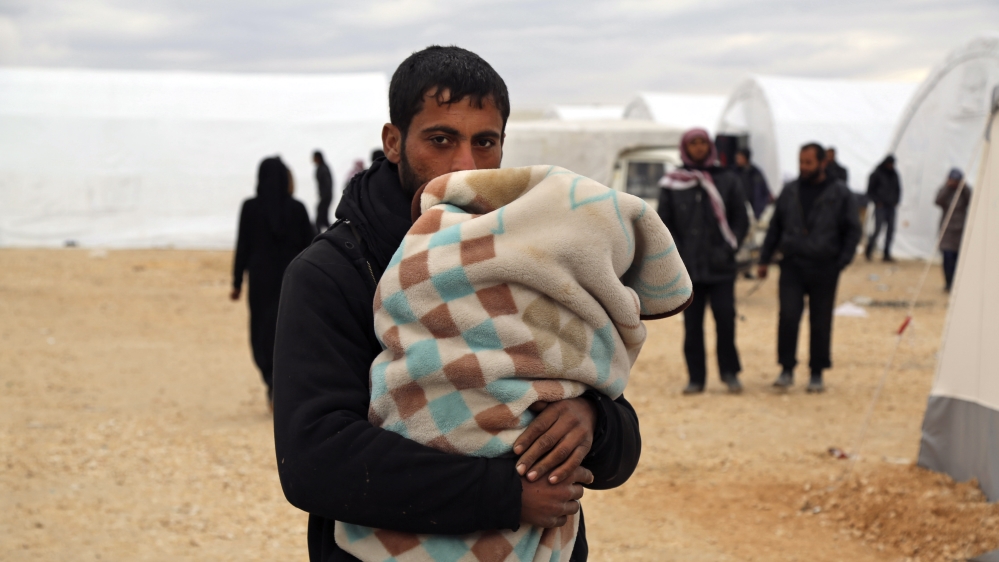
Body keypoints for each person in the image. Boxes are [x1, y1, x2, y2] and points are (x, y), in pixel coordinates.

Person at [271, 46, 642, 562]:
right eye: (441, 140)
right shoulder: (333, 273)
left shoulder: (531, 256)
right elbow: (315, 458)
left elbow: (618, 441)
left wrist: (592, 421)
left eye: (484, 142)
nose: (464, 166)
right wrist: (503, 495)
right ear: (394, 142)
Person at [757, 143, 862, 393]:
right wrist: (764, 258)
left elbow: (853, 229)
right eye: (801, 162)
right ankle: (786, 368)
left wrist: (842, 261)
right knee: (789, 317)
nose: (803, 167)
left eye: (809, 163)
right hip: (792, 265)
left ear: (823, 163)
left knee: (820, 321)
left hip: (825, 267)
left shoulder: (840, 193)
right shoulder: (790, 191)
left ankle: (817, 372)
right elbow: (775, 226)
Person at [659, 129, 749, 395]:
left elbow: (740, 219)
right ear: (685, 148)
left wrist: (729, 248)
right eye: (693, 143)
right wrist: (678, 256)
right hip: (688, 271)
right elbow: (663, 225)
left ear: (710, 147)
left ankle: (730, 373)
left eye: (702, 143)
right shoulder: (672, 182)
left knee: (725, 320)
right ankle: (696, 378)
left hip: (721, 268)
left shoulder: (727, 179)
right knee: (692, 326)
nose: (698, 148)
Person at [231, 157, 316, 406]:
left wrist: (236, 282)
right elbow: (311, 247)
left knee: (261, 331)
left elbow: (242, 246)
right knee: (290, 330)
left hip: (260, 280)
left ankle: (271, 381)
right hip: (292, 280)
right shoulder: (297, 209)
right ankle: (285, 384)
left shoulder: (250, 208)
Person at [935, 168, 972, 292]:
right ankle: (948, 282)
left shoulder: (964, 192)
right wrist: (947, 187)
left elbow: (972, 201)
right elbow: (938, 201)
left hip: (960, 230)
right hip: (947, 229)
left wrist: (964, 187)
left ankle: (956, 283)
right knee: (947, 257)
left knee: (958, 259)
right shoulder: (944, 190)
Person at [865, 154, 901, 262]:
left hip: (891, 206)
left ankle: (886, 254)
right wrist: (877, 202)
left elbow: (898, 189)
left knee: (890, 231)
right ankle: (869, 251)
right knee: (877, 229)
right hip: (880, 206)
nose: (891, 166)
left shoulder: (894, 174)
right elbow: (870, 191)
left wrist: (896, 201)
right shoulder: (877, 174)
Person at [734, 147, 772, 219]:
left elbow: (765, 192)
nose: (737, 160)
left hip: (755, 213)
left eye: (739, 158)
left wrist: (760, 208)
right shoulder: (734, 173)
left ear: (745, 158)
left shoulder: (756, 173)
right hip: (739, 213)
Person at [313, 150, 334, 232]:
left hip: (326, 196)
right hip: (325, 196)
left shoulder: (322, 168)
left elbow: (327, 183)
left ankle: (317, 235)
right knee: (324, 219)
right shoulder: (322, 167)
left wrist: (324, 196)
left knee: (320, 218)